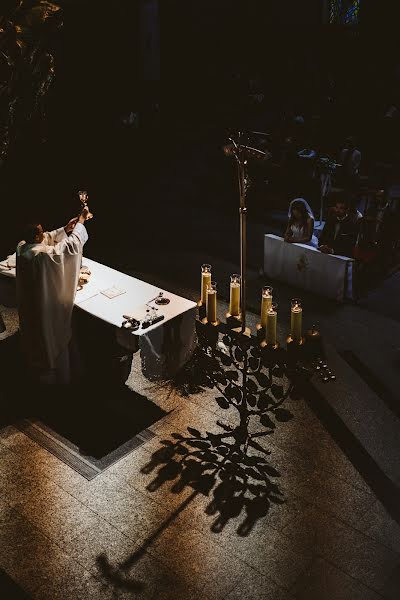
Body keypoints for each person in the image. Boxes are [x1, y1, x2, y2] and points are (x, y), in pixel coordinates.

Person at [16, 208, 90, 384]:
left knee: (37, 340)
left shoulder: (21, 248)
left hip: (33, 305)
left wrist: (64, 229)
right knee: (51, 340)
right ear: (34, 236)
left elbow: (47, 238)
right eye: (40, 232)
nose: (44, 234)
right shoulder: (41, 257)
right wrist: (80, 223)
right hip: (46, 308)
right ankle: (57, 383)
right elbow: (68, 248)